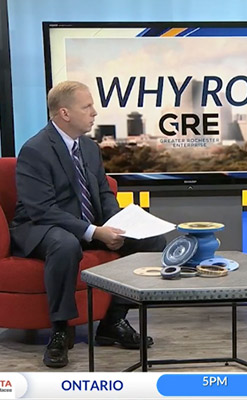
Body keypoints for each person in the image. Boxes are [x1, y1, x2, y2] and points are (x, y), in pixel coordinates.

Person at [10, 81, 166, 368]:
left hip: (86, 224)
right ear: (65, 113)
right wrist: (95, 232)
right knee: (65, 244)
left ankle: (113, 322)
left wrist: (118, 225)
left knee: (154, 242)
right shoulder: (35, 149)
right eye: (87, 107)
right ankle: (60, 331)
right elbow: (42, 210)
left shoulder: (89, 148)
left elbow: (103, 193)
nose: (94, 112)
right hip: (41, 226)